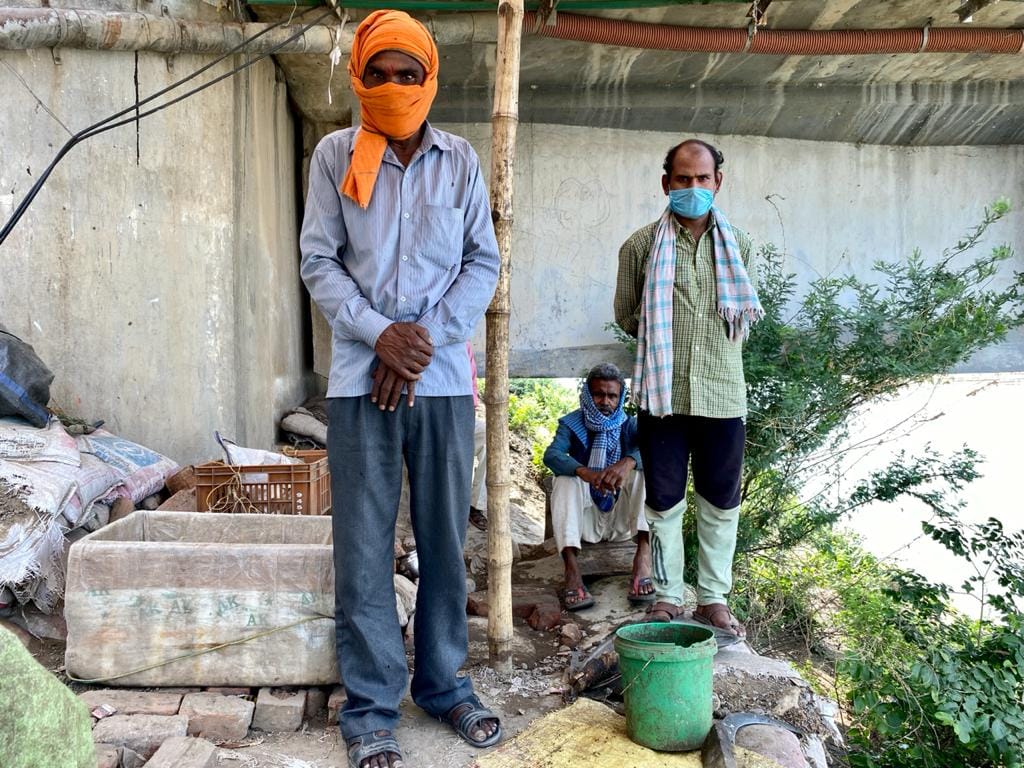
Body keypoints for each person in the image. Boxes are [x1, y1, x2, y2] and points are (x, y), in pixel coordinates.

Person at [299, 11, 501, 768]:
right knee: (362, 546)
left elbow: (482, 262)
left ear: (429, 79)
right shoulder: (333, 156)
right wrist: (379, 333)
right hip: (360, 383)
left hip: (442, 381)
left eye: (405, 74)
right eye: (376, 74)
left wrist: (419, 343)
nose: (391, 87)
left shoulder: (460, 162)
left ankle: (445, 685)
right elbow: (319, 260)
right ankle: (372, 708)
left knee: (445, 539)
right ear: (359, 78)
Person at [613, 138, 763, 637]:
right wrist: (663, 336)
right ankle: (667, 596)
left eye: (702, 179)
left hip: (723, 394)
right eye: (683, 179)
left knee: (721, 501)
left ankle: (714, 598)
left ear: (718, 183)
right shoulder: (638, 247)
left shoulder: (741, 246)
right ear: (666, 184)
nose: (693, 188)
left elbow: (742, 313)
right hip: (663, 396)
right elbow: (627, 314)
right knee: (663, 500)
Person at [542, 363, 654, 610]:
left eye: (612, 395)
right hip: (586, 522)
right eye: (598, 394)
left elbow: (655, 451)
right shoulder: (572, 423)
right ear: (587, 395)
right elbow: (552, 455)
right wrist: (585, 473)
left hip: (622, 522)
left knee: (643, 474)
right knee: (564, 480)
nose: (605, 401)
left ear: (620, 397)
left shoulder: (630, 426)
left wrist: (628, 462)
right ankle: (571, 570)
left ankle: (643, 559)